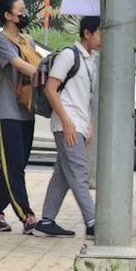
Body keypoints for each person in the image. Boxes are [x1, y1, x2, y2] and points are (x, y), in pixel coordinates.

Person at [33, 16, 101, 239]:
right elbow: (50, 89)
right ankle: (92, 221)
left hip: (78, 123)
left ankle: (46, 221)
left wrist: (88, 123)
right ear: (87, 34)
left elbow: (85, 96)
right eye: (100, 33)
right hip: (67, 124)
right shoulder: (69, 56)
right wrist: (68, 122)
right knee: (79, 173)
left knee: (63, 174)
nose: (102, 39)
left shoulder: (91, 59)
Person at [0, 0, 39, 234]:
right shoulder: (0, 40)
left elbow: (35, 62)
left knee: (14, 164)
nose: (24, 14)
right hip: (6, 111)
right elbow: (19, 64)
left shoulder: (29, 39)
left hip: (26, 110)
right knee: (14, 165)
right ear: (8, 15)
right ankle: (26, 215)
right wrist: (44, 74)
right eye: (20, 11)